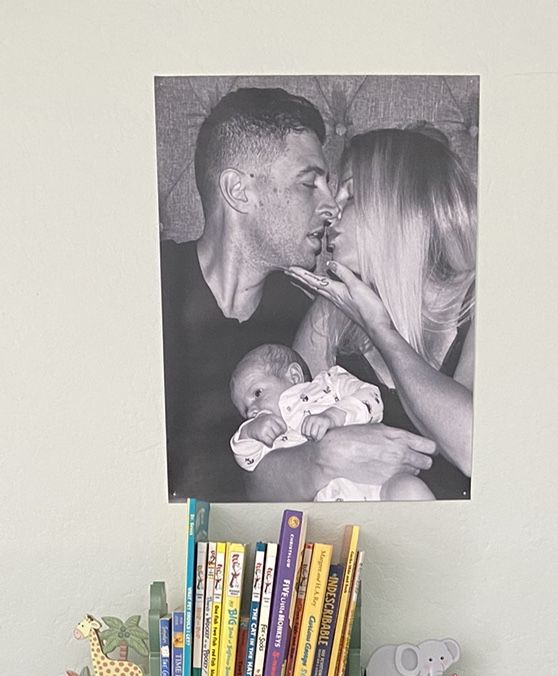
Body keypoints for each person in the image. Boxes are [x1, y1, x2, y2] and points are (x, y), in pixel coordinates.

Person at [159, 85, 434, 501]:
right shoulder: (150, 286)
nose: (332, 208)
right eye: (310, 185)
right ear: (238, 191)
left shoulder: (307, 320)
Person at [271, 124, 477, 501]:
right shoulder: (331, 313)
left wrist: (379, 326)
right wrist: (318, 459)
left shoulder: (481, 300)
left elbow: (473, 448)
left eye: (350, 196)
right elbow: (266, 472)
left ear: (401, 209)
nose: (331, 212)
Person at [228, 341, 431, 501]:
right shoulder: (269, 435)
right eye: (246, 411)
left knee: (410, 490)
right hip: (326, 501)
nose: (253, 409)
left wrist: (335, 415)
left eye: (257, 393)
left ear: (294, 375)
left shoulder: (329, 384)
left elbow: (371, 397)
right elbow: (248, 461)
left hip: (379, 485)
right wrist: (249, 432)